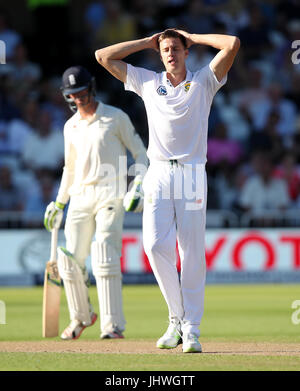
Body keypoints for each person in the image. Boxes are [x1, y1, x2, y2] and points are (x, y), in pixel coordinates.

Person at [95, 28, 240, 353]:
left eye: (176, 48)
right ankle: (176, 319)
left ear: (186, 51)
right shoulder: (148, 81)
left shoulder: (204, 81)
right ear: (159, 55)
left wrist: (193, 36)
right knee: (154, 245)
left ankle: (191, 329)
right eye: (165, 50)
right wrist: (147, 42)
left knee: (190, 252)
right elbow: (103, 57)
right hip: (158, 171)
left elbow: (231, 44)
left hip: (190, 172)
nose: (170, 53)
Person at [43, 65, 148, 340]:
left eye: (82, 93)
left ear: (91, 89)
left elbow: (141, 154)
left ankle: (112, 326)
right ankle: (81, 316)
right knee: (68, 260)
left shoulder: (115, 117)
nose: (78, 99)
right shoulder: (71, 126)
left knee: (104, 253)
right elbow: (70, 168)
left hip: (110, 195)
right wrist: (59, 203)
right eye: (73, 95)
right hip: (80, 197)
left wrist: (138, 184)